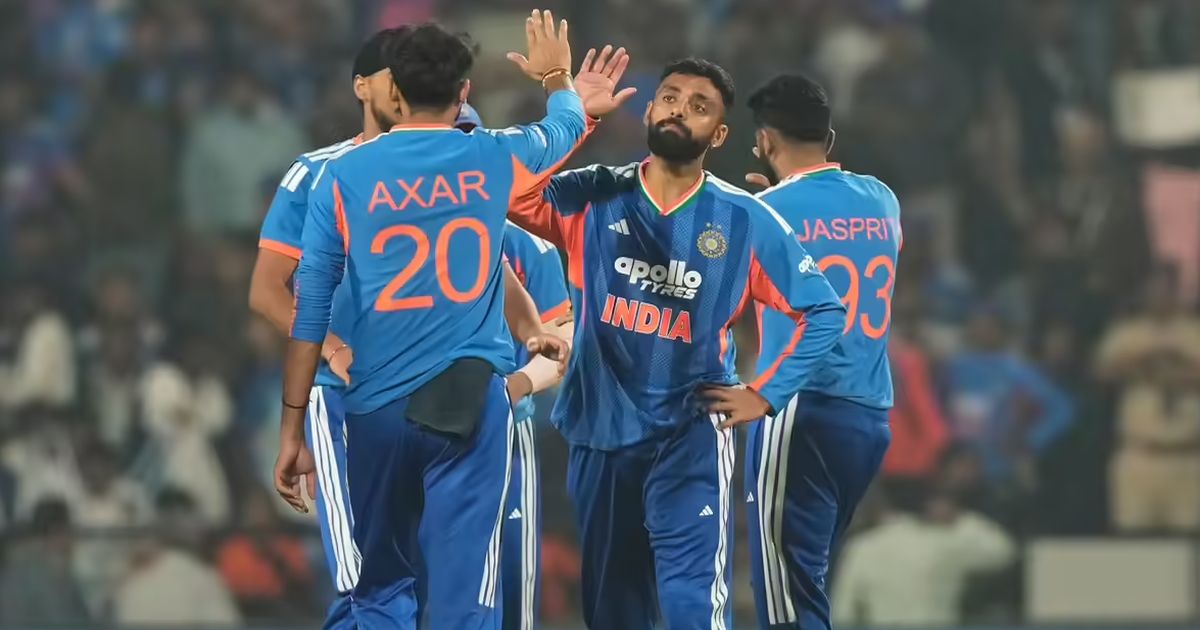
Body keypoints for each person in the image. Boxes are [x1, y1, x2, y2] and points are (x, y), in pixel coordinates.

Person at [281, 14, 632, 627]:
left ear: (393, 93)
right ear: (464, 91)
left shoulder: (340, 175)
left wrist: (292, 430)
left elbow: (309, 310)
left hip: (374, 407)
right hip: (466, 405)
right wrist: (557, 77)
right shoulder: (491, 156)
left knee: (380, 587)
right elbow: (563, 128)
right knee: (465, 591)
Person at [508, 58, 846, 629]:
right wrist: (572, 113)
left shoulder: (746, 219)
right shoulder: (595, 191)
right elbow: (512, 195)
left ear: (719, 134)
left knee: (693, 607)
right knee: (614, 615)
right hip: (599, 430)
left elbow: (824, 309)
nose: (679, 110)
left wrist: (766, 394)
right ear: (649, 110)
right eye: (670, 97)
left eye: (698, 106)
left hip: (690, 439)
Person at [739, 74, 899, 630]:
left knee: (786, 596)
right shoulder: (882, 199)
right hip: (868, 418)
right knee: (810, 584)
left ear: (764, 141)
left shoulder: (761, 211)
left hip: (798, 410)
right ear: (828, 138)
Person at [499, 219, 574, 630]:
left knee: (514, 582)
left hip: (508, 433)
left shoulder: (528, 246)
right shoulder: (405, 224)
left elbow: (561, 341)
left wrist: (517, 385)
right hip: (418, 427)